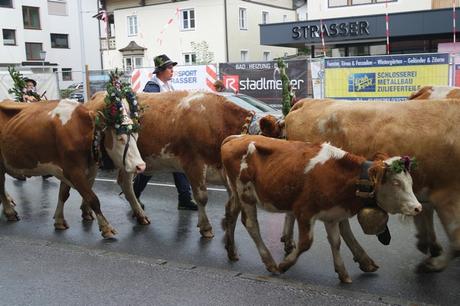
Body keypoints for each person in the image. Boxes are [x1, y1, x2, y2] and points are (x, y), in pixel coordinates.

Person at [133, 54, 198, 211]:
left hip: (169, 133)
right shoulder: (152, 88)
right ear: (161, 70)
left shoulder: (168, 86)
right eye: (169, 68)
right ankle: (133, 195)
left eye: (172, 68)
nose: (172, 70)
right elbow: (152, 114)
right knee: (149, 168)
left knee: (178, 164)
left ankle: (184, 198)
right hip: (156, 136)